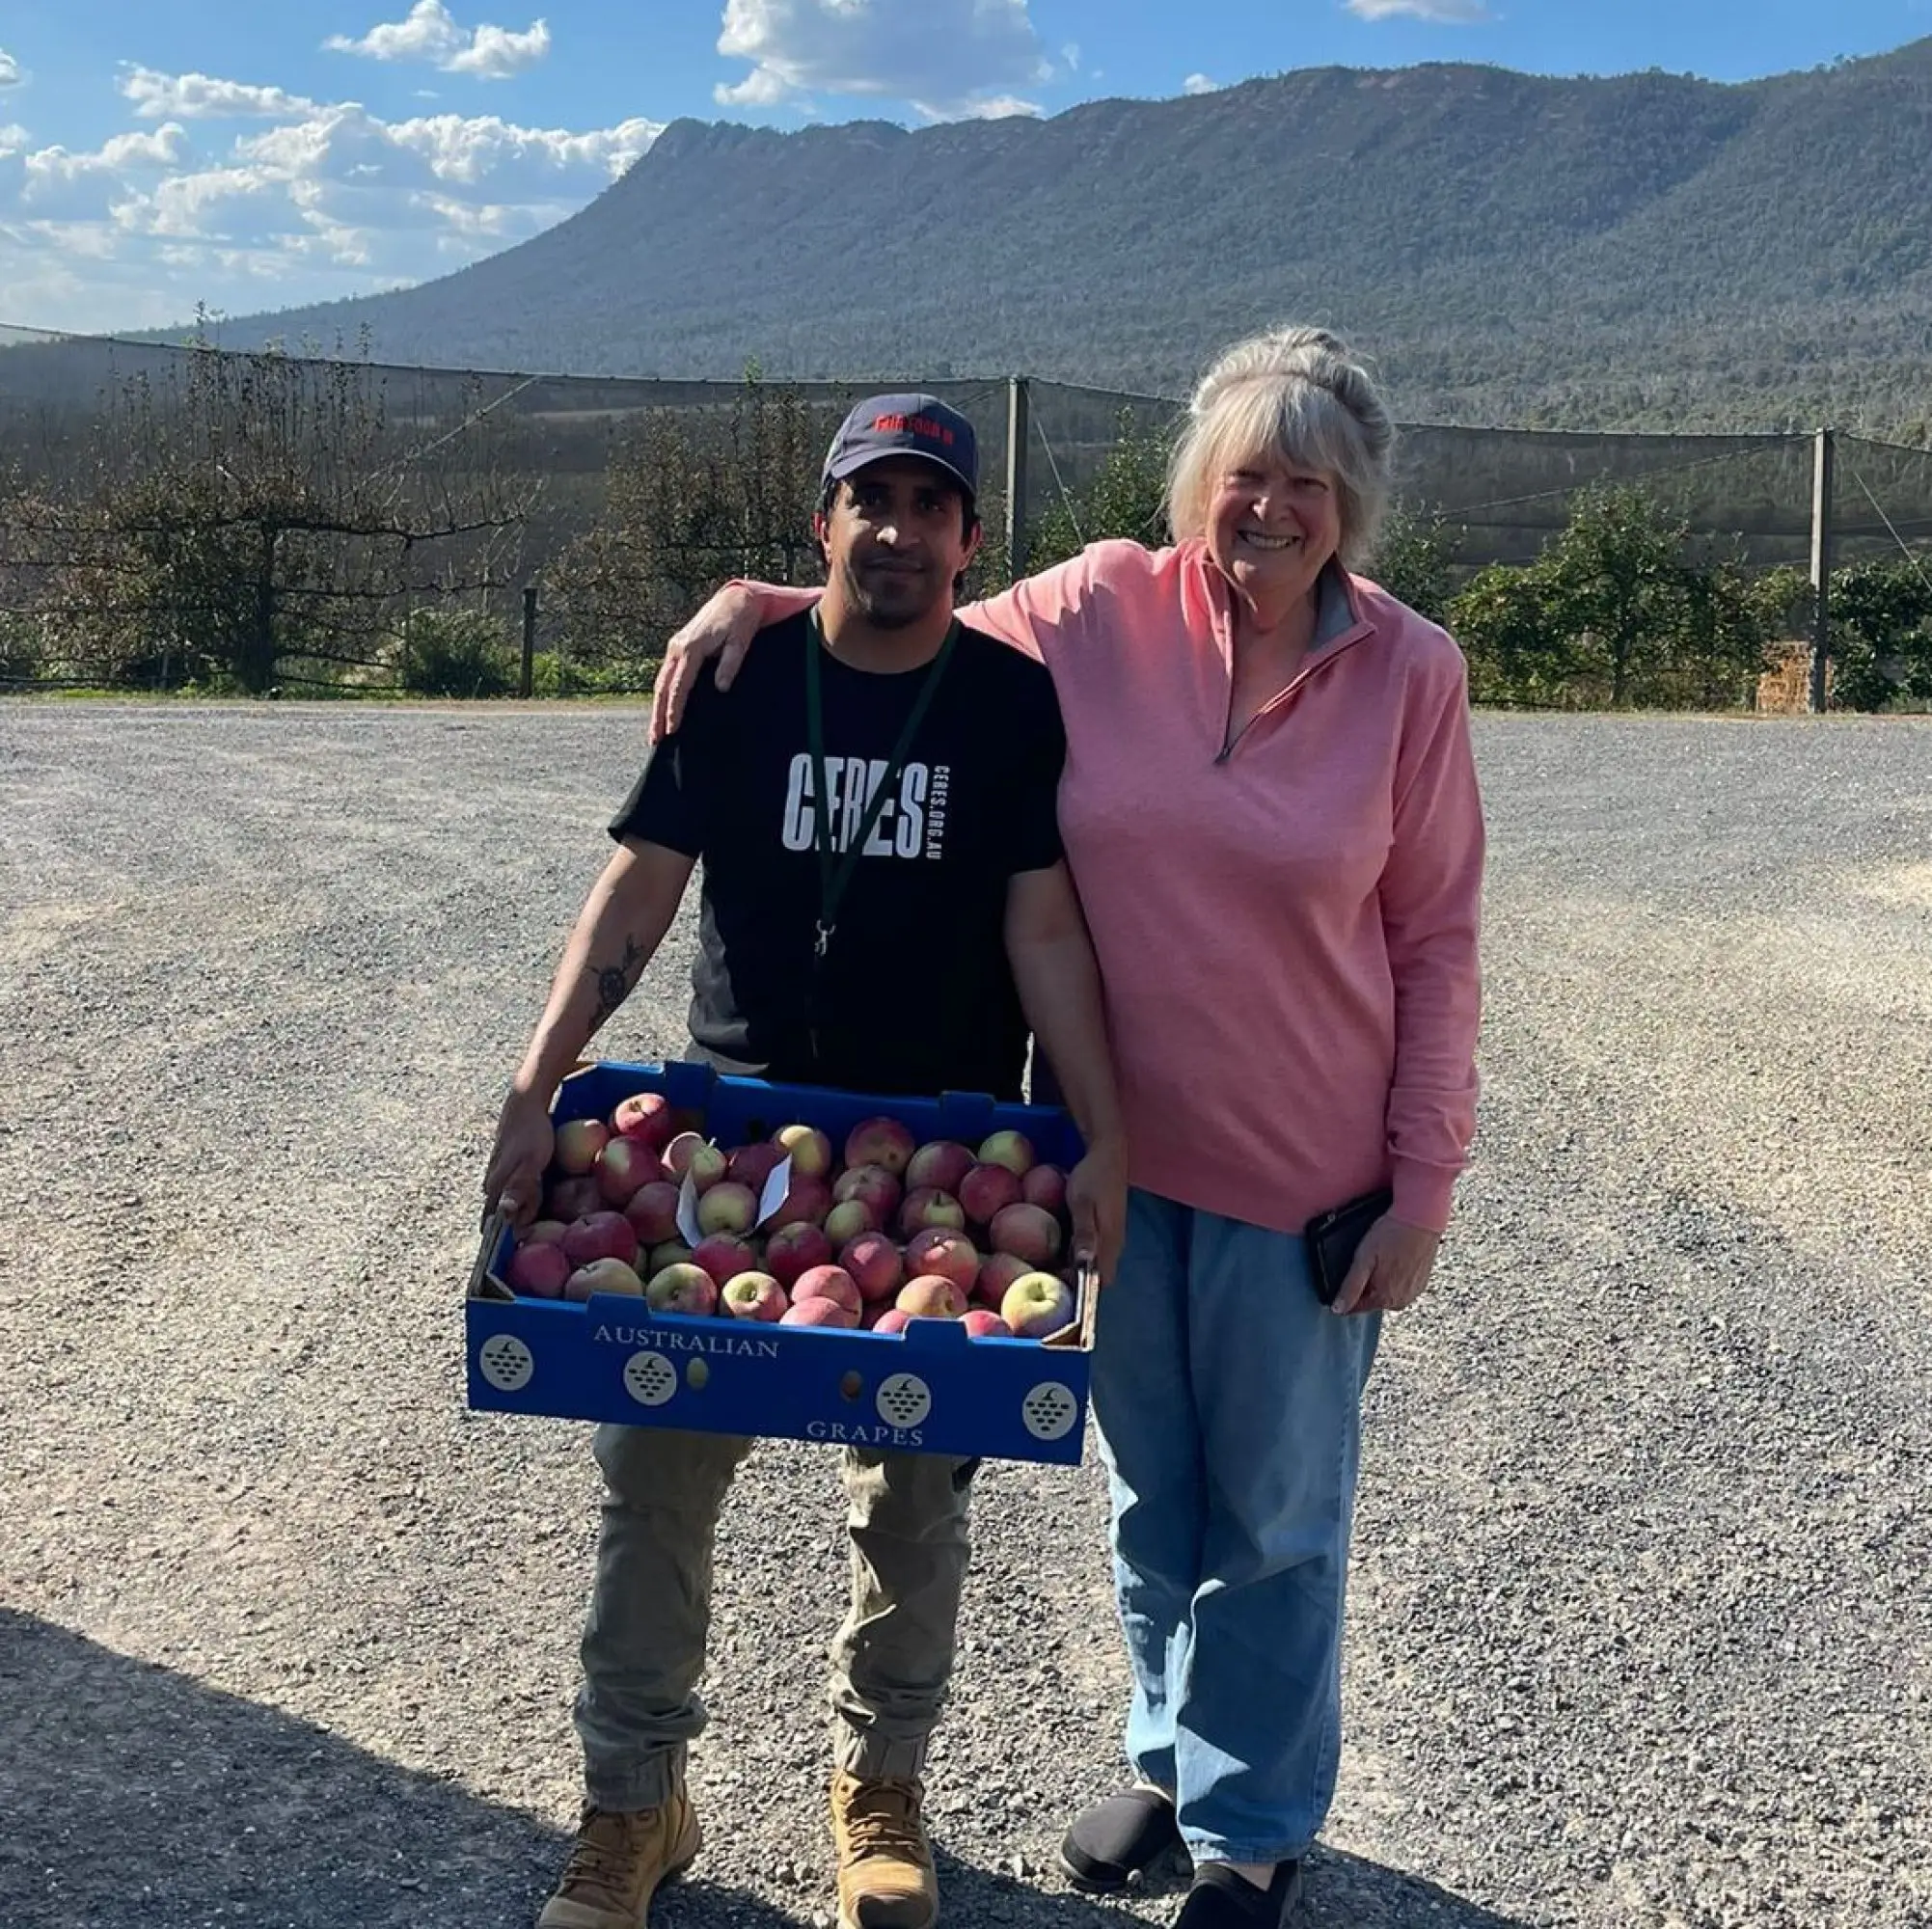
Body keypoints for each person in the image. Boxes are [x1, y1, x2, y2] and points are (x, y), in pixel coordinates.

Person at [647, 327, 1485, 1929]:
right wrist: (751, 602)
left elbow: (1437, 938)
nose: (1271, 509)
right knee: (1149, 1495)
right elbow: (898, 622)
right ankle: (1170, 1755)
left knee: (1277, 1515)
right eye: (1246, 474)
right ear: (1197, 485)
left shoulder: (1406, 673)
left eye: (1309, 483)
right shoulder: (1103, 605)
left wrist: (1420, 1183)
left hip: (1306, 1166)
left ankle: (1253, 1829)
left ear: (1351, 504)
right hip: (1093, 1159)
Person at [484, 391, 1128, 1929]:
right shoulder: (739, 675)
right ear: (820, 525)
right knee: (655, 1483)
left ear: (971, 542)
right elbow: (636, 893)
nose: (897, 531)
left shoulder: (1005, 705)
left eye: (929, 506)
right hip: (731, 1134)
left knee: (913, 1494)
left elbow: (1043, 926)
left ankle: (879, 1788)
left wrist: (1101, 1133)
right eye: (870, 501)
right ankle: (634, 1805)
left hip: (944, 1152)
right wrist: (534, 1083)